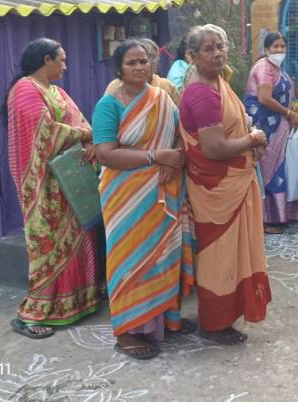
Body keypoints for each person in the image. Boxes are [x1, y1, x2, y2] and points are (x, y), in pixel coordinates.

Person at [93, 39, 195, 359]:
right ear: (118, 69)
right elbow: (105, 154)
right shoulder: (108, 105)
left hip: (163, 191)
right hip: (125, 197)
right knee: (129, 260)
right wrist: (156, 156)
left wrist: (170, 161)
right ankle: (127, 331)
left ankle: (164, 321)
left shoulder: (162, 98)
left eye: (144, 61)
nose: (140, 67)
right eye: (132, 62)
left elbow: (181, 133)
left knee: (162, 256)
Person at [179, 24, 271, 345]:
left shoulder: (217, 82)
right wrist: (253, 138)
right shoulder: (202, 92)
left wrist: (248, 134)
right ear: (192, 56)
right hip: (215, 189)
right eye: (209, 49)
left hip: (231, 182)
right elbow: (214, 149)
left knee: (231, 254)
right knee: (219, 256)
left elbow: (238, 120)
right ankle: (214, 323)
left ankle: (224, 316)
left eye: (221, 46)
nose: (218, 53)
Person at [4, 38, 100, 338]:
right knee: (47, 249)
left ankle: (77, 302)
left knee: (80, 241)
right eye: (62, 59)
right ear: (47, 60)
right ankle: (33, 314)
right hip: (43, 188)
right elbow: (43, 133)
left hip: (70, 183)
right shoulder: (24, 89)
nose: (65, 66)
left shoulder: (57, 91)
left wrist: (89, 141)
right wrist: (85, 133)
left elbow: (79, 119)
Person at [243, 32, 298, 234]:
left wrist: (291, 110)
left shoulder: (277, 68)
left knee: (278, 168)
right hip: (265, 125)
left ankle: (281, 215)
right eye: (275, 47)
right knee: (268, 169)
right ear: (267, 49)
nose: (279, 50)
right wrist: (287, 112)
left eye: (282, 47)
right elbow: (264, 98)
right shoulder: (263, 68)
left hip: (279, 125)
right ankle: (268, 219)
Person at [106, 37, 179, 105]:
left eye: (151, 57)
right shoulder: (115, 86)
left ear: (158, 59)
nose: (139, 67)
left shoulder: (166, 86)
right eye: (132, 62)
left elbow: (180, 115)